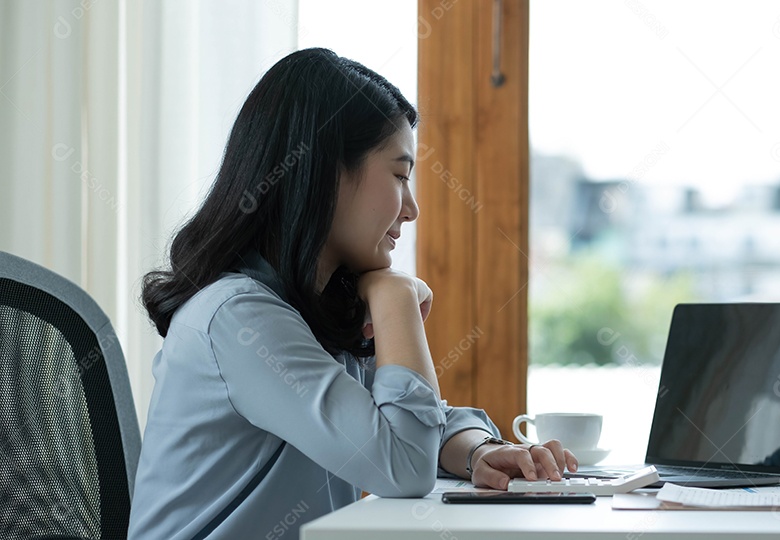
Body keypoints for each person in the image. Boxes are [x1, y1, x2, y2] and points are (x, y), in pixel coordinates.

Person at [128, 48, 577, 540]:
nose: (412, 209)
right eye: (400, 176)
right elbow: (404, 464)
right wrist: (396, 299)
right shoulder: (241, 319)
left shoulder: (306, 307)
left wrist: (479, 451)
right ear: (325, 173)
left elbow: (416, 422)